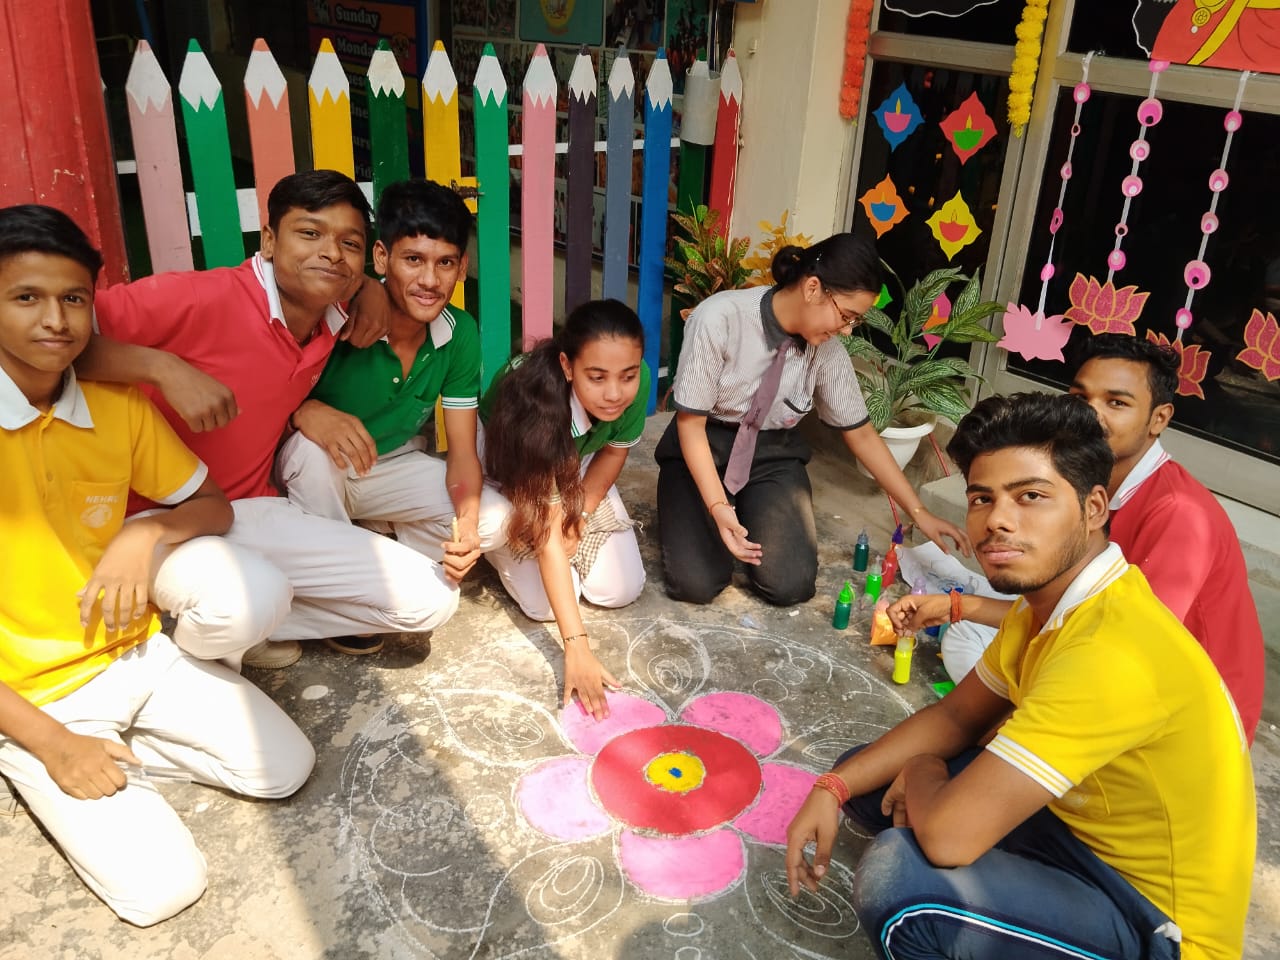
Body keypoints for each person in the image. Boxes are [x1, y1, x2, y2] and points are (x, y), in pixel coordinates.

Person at [785, 392, 1255, 960]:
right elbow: (958, 715)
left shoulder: (1114, 650)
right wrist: (830, 787)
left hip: (1154, 922)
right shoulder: (1049, 606)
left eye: (1031, 496)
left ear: (1094, 506)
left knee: (904, 886)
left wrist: (926, 770)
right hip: (1076, 836)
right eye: (982, 498)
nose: (997, 520)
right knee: (860, 779)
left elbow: (948, 835)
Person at [0, 205, 314, 925]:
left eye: (73, 299)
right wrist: (53, 745)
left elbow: (213, 506)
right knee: (163, 892)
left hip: (135, 653)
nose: (56, 320)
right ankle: (39, 758)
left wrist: (145, 537)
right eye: (26, 298)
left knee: (285, 769)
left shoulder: (113, 406)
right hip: (35, 696)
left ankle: (124, 744)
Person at [75, 170, 458, 668]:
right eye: (309, 233)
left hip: (246, 508)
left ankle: (232, 616)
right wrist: (162, 367)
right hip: (158, 518)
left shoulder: (334, 311)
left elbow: (335, 284)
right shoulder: (201, 297)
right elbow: (46, 343)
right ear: (270, 241)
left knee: (431, 597)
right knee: (244, 604)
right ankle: (203, 631)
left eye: (349, 243)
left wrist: (365, 288)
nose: (330, 252)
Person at [892, 334, 1265, 742]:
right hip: (1100, 646)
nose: (1092, 414)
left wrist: (995, 740)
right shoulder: (1088, 480)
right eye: (1080, 397)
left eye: (1116, 403)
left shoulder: (1179, 514)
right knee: (969, 639)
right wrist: (956, 606)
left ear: (1159, 419)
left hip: (1184, 719)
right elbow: (1059, 604)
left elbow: (1117, 648)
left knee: (995, 682)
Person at [656, 233, 968, 606]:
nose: (848, 329)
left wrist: (918, 511)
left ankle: (739, 510)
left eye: (856, 321)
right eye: (847, 315)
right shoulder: (719, 318)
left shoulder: (827, 351)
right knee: (697, 583)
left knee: (789, 584)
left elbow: (862, 435)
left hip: (772, 453)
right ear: (813, 288)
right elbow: (690, 425)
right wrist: (718, 507)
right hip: (705, 444)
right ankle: (701, 511)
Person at [276, 179, 507, 654]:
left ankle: (356, 571)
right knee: (312, 453)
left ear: (462, 267)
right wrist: (305, 410)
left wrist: (465, 525)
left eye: (444, 263)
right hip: (319, 475)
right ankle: (322, 599)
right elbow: (266, 386)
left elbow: (463, 451)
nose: (429, 280)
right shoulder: (338, 310)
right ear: (381, 258)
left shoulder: (457, 334)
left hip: (390, 467)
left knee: (495, 518)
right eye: (413, 260)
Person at [480, 300, 648, 720]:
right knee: (544, 605)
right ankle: (497, 540)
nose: (615, 393)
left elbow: (612, 452)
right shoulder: (531, 406)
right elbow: (551, 541)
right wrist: (578, 647)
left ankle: (564, 510)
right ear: (568, 366)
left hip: (580, 461)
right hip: (514, 464)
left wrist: (582, 513)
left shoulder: (637, 380)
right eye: (597, 377)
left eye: (626, 376)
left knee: (619, 590)